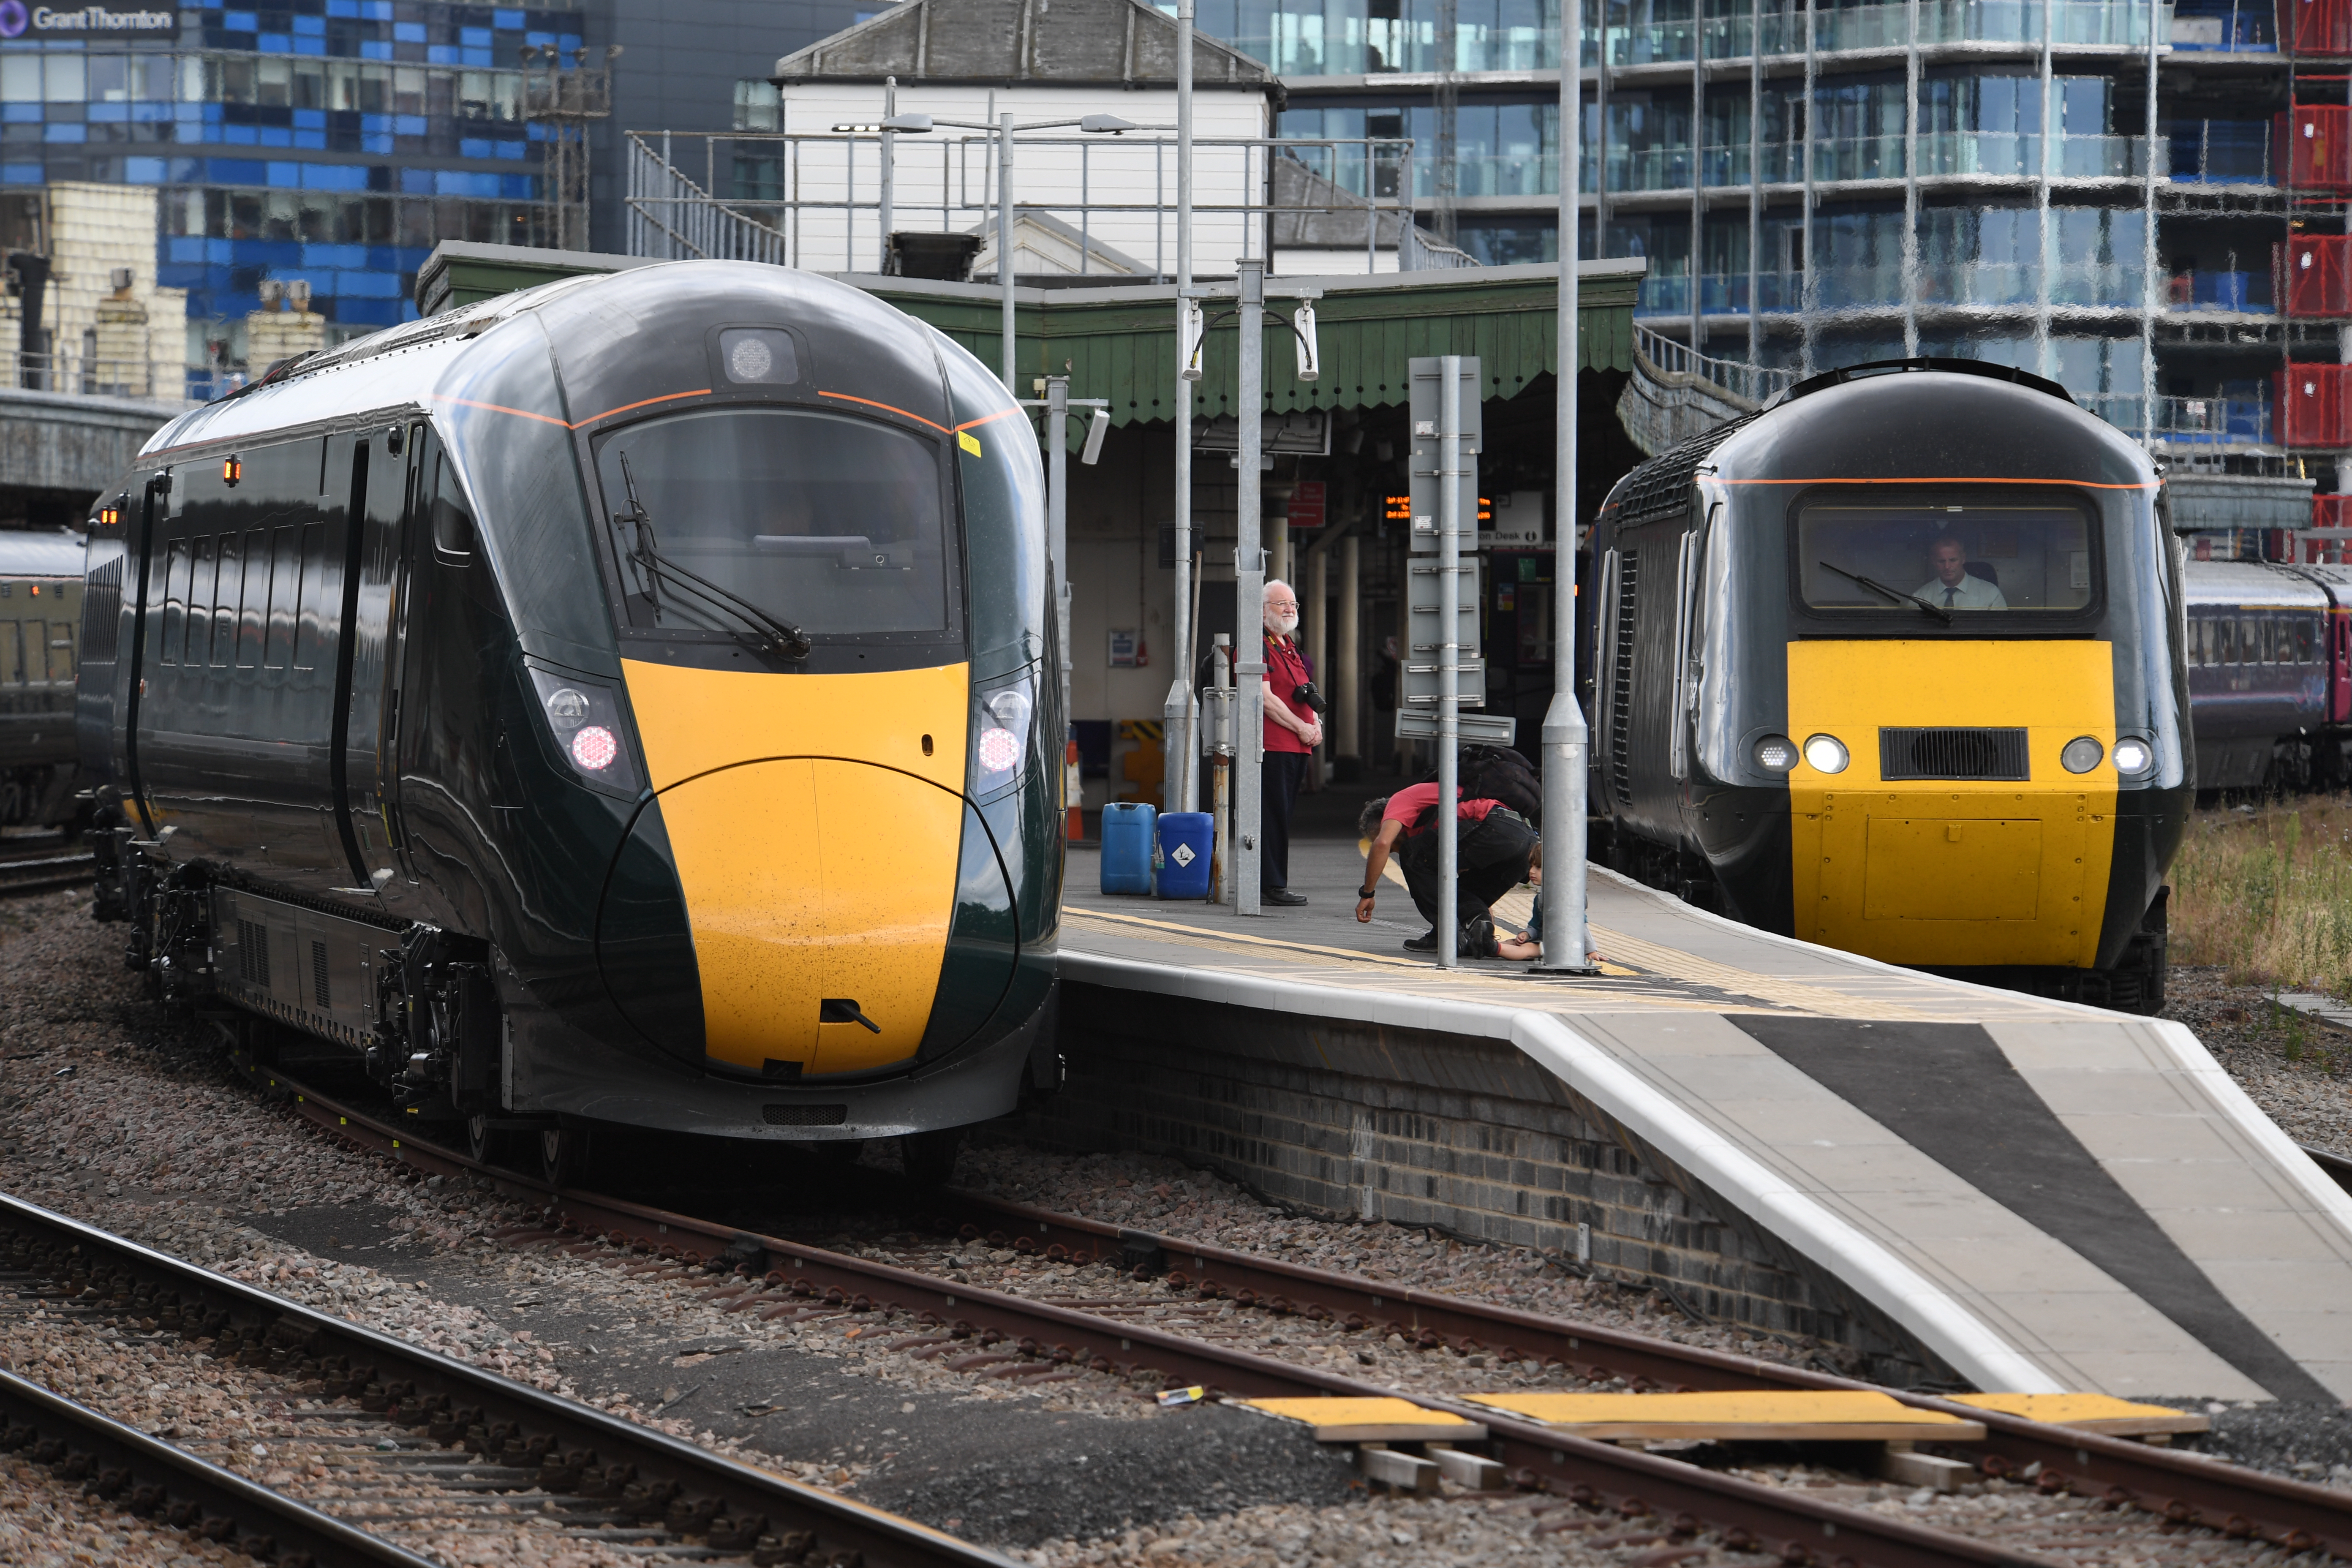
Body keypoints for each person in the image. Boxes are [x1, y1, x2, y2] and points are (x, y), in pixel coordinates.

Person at [1354, 783, 1536, 954]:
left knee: (1412, 855)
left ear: (1383, 821)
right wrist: (1482, 914)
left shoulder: (1400, 801)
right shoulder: (1435, 819)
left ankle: (1448, 934)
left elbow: (1383, 843)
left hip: (1494, 827)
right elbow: (1450, 887)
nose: (1391, 850)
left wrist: (1367, 894)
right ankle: (1480, 936)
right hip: (1525, 841)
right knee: (1464, 891)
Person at [1260, 580, 1320, 906]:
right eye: (1281, 604)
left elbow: (1304, 691)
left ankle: (1275, 881)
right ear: (1263, 610)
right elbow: (1265, 699)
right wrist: (1302, 727)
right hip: (1276, 744)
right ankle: (1272, 884)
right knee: (1273, 814)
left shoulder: (1288, 645)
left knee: (1284, 813)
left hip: (1297, 744)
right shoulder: (1258, 645)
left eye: (1293, 604)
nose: (1289, 609)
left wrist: (1316, 724)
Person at [1914, 534, 2007, 610]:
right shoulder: (1921, 598)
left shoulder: (1990, 594)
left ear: (1963, 559)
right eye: (1942, 561)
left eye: (1953, 560)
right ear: (1934, 562)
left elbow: (2001, 630)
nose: (1947, 567)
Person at [1495, 842, 1544, 961]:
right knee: (1513, 942)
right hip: (1541, 940)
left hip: (1557, 946)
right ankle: (1489, 946)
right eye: (1531, 866)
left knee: (1526, 949)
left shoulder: (1567, 902)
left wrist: (1591, 951)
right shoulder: (1540, 898)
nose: (1531, 871)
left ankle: (1494, 948)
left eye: (1538, 867)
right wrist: (1527, 934)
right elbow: (1536, 926)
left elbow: (1581, 926)